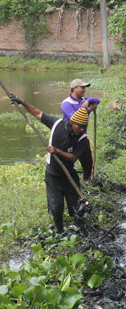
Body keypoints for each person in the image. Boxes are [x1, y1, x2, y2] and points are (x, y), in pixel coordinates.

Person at [10, 95, 89, 234]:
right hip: (53, 175)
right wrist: (21, 102)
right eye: (80, 126)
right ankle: (60, 232)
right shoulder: (57, 124)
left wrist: (57, 151)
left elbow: (73, 157)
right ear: (72, 122)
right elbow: (37, 112)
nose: (82, 129)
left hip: (69, 176)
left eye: (84, 127)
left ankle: (79, 232)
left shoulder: (82, 138)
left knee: (76, 208)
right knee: (56, 208)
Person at [61, 79, 100, 180]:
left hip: (82, 137)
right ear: (74, 89)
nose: (84, 90)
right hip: (69, 138)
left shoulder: (83, 100)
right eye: (82, 88)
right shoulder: (66, 103)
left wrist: (88, 101)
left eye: (84, 88)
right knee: (68, 162)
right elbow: (76, 119)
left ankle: (87, 182)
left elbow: (97, 100)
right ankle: (68, 182)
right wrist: (89, 110)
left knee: (88, 162)